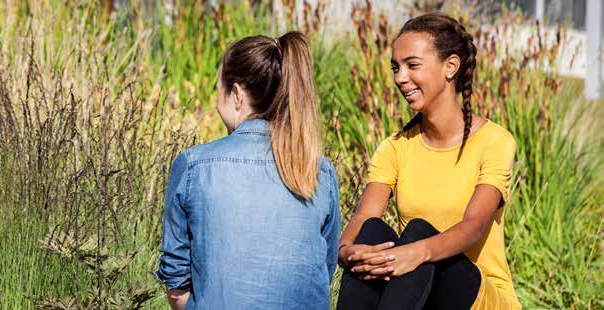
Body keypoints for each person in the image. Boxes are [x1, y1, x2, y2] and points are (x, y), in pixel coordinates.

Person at [336, 13, 521, 309]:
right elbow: (362, 218)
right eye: (396, 68)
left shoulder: (494, 142)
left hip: (479, 296)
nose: (400, 78)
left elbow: (474, 226)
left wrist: (416, 252)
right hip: (419, 292)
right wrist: (347, 252)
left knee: (419, 232)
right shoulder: (394, 147)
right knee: (370, 234)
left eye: (412, 65)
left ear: (450, 66)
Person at [155, 31, 340, 310]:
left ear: (237, 94)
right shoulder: (321, 171)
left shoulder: (194, 166)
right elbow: (321, 270)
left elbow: (176, 280)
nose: (217, 101)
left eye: (219, 89)